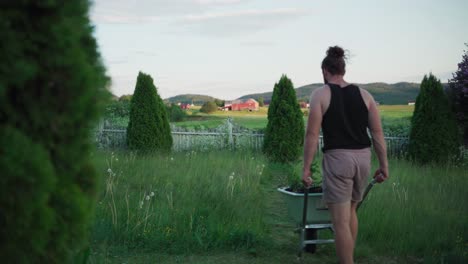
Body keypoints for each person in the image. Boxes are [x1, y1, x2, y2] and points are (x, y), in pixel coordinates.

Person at [302, 46, 389, 264]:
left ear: (325, 71)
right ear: (343, 69)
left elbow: (312, 135)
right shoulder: (365, 95)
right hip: (363, 159)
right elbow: (377, 132)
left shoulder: (320, 94)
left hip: (338, 160)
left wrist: (306, 169)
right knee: (351, 211)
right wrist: (384, 164)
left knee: (339, 222)